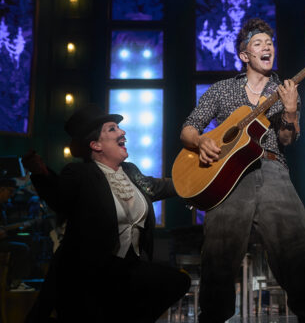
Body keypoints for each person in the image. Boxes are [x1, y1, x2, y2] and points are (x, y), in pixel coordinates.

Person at [180, 17, 305, 323]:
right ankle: (213, 318)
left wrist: (291, 111)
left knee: (295, 241)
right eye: (258, 43)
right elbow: (189, 128)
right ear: (245, 55)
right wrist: (201, 141)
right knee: (219, 248)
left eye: (270, 43)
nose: (267, 47)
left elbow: (287, 140)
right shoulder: (221, 90)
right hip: (228, 176)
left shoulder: (284, 90)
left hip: (272, 167)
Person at [22, 104, 190, 323]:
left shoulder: (131, 171)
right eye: (112, 129)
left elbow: (158, 187)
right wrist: (41, 174)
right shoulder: (80, 174)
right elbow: (59, 198)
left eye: (119, 128)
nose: (122, 132)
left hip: (127, 268)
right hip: (89, 273)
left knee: (176, 282)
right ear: (96, 145)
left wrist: (196, 180)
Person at [0, 178, 34, 292]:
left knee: (28, 239)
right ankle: (15, 283)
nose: (11, 195)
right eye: (10, 191)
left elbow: (4, 228)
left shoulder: (3, 206)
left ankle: (16, 279)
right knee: (21, 248)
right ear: (2, 189)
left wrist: (19, 227)